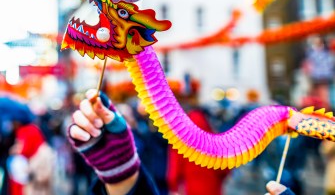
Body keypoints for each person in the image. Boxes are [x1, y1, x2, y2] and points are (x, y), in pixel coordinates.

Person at [68, 89, 296, 195]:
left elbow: (175, 164)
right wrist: (122, 174)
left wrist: (174, 184)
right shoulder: (204, 137)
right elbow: (224, 168)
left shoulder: (186, 139)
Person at [167, 108, 230, 195]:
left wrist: (174, 188)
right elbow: (225, 169)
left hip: (189, 189)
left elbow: (174, 171)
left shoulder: (180, 142)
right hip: (212, 189)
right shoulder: (215, 142)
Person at [0, 96, 55, 195]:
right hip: (24, 178)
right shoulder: (25, 130)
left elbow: (25, 149)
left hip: (32, 179)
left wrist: (15, 151)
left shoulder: (28, 130)